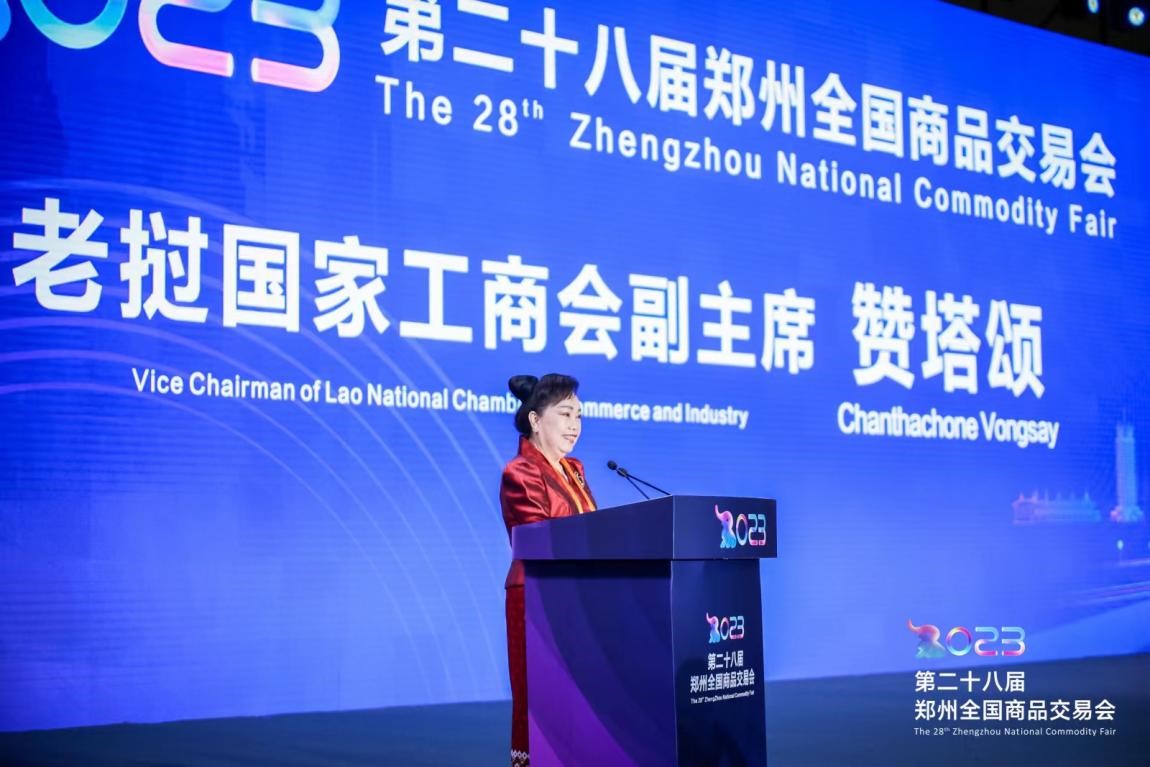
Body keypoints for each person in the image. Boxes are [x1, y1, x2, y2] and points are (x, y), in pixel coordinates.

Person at [499, 373, 597, 767]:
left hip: (583, 600)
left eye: (579, 415)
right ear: (536, 420)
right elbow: (538, 540)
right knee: (541, 704)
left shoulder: (574, 470)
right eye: (566, 414)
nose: (575, 424)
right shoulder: (520, 472)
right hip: (538, 603)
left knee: (582, 706)